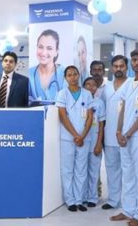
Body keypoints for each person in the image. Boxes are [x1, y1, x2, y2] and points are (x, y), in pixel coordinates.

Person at [111, 49, 138, 226]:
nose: (137, 63)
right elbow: (123, 109)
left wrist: (127, 133)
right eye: (134, 60)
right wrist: (119, 132)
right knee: (127, 173)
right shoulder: (127, 83)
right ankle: (128, 210)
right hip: (124, 136)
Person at [55, 65, 93, 212]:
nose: (72, 77)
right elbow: (63, 117)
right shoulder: (62, 94)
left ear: (79, 76)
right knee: (68, 169)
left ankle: (79, 200)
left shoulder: (87, 94)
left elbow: (90, 116)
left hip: (84, 137)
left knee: (81, 169)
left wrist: (82, 135)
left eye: (75, 74)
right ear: (65, 78)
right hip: (68, 138)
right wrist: (76, 135)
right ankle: (70, 200)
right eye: (69, 75)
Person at [101, 55, 129, 210]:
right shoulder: (107, 87)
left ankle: (128, 202)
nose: (119, 69)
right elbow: (102, 113)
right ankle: (113, 200)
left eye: (122, 66)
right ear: (112, 68)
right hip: (110, 135)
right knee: (112, 169)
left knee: (129, 170)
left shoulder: (132, 84)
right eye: (116, 66)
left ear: (126, 67)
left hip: (128, 135)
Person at [83, 77, 105, 208]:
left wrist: (99, 143)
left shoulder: (99, 103)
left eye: (93, 85)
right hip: (82, 141)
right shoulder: (80, 101)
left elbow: (101, 125)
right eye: (87, 84)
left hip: (95, 140)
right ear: (83, 86)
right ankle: (83, 196)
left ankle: (92, 197)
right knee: (82, 170)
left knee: (94, 170)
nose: (90, 87)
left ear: (97, 88)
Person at [29, 29, 65, 102]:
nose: (43, 52)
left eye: (49, 48)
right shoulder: (29, 74)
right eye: (40, 47)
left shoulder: (65, 74)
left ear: (56, 52)